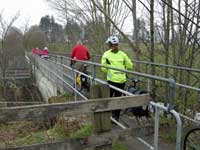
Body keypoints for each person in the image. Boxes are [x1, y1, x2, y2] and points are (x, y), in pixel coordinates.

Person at [101, 36, 133, 121]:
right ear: (117, 45)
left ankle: (107, 116)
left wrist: (109, 67)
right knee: (118, 99)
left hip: (111, 80)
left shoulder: (106, 54)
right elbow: (130, 65)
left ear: (109, 45)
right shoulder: (123, 54)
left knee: (109, 98)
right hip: (122, 80)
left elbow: (103, 68)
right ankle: (116, 118)